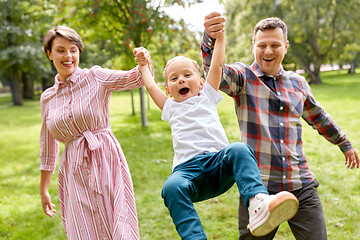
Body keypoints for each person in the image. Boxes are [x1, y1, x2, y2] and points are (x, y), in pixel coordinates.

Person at [202, 12, 360, 240]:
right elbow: (212, 71)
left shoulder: (298, 83)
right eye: (262, 45)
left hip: (300, 183)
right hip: (259, 189)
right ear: (253, 45)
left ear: (285, 46)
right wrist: (210, 38)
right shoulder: (243, 78)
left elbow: (319, 117)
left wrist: (344, 143)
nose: (268, 51)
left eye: (275, 45)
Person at [133, 29, 299, 240]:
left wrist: (220, 37)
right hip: (188, 172)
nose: (181, 80)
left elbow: (217, 65)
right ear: (168, 89)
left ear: (201, 82)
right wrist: (143, 65)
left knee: (239, 148)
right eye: (174, 79)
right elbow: (149, 85)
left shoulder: (207, 95)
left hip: (218, 164)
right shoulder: (170, 107)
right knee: (171, 187)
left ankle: (258, 203)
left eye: (187, 75)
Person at [39, 26, 150, 239]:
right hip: (73, 169)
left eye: (73, 49)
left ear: (79, 52)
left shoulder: (95, 77)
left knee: (118, 226)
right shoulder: (47, 98)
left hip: (105, 159)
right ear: (49, 54)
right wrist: (44, 190)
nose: (68, 56)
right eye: (61, 50)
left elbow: (135, 79)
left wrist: (143, 61)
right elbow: (48, 148)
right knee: (83, 230)